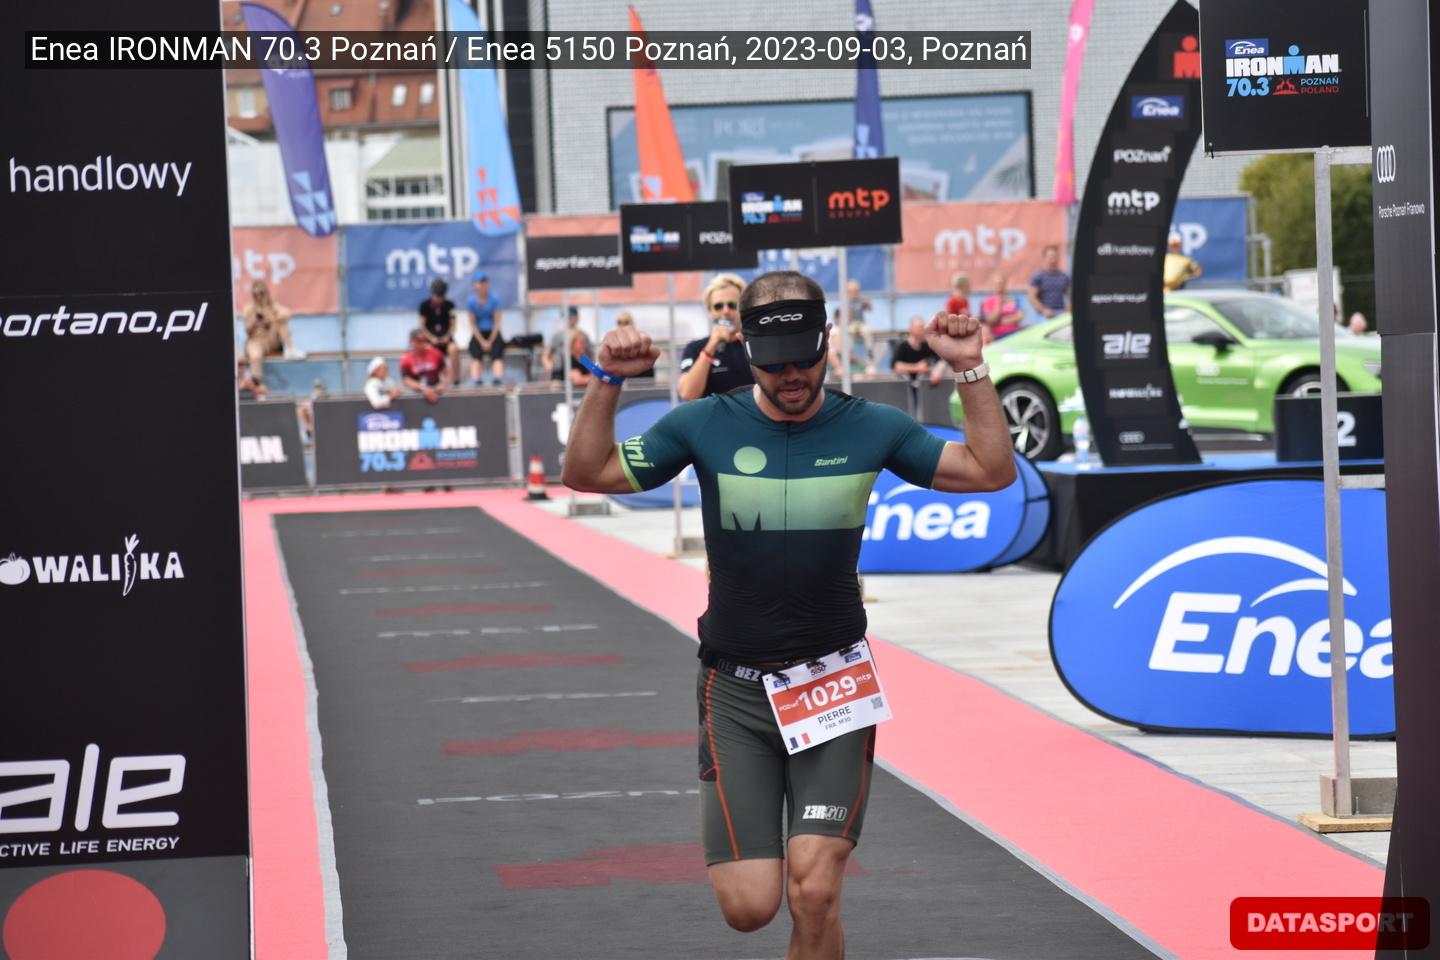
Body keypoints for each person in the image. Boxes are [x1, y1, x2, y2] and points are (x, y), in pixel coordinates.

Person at [561, 270, 1015, 960]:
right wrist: (606, 379)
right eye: (775, 364)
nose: (792, 375)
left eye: (805, 357)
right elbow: (585, 474)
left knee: (815, 888)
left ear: (827, 340)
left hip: (833, 682)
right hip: (735, 691)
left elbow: (990, 470)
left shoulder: (872, 426)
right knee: (750, 906)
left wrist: (970, 367)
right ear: (746, 350)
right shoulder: (703, 423)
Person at [679, 274, 752, 400]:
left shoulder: (755, 344)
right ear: (710, 311)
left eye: (732, 305)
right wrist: (712, 345)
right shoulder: (695, 348)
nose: (726, 311)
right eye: (718, 306)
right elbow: (687, 394)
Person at [242, 279, 303, 384]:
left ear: (266, 293)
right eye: (255, 295)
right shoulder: (249, 309)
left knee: (282, 322)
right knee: (255, 356)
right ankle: (257, 383)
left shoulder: (273, 306)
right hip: (256, 340)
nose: (259, 297)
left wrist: (270, 319)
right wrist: (254, 323)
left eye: (261, 294)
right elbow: (247, 331)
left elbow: (288, 314)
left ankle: (290, 349)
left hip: (271, 338)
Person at [418, 278, 463, 386]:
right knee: (427, 349)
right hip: (431, 339)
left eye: (441, 296)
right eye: (437, 296)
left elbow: (453, 325)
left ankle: (456, 379)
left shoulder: (449, 305)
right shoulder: (424, 306)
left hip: (446, 339)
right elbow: (422, 326)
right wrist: (431, 337)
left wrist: (447, 336)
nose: (439, 299)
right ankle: (431, 379)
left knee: (454, 349)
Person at [466, 273, 506, 386]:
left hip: (493, 332)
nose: (481, 285)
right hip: (479, 334)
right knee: (476, 356)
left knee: (497, 356)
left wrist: (490, 341)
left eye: (483, 282)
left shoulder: (494, 299)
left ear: (487, 283)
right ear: (475, 285)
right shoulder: (471, 301)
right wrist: (482, 341)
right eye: (479, 283)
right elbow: (473, 324)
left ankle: (498, 379)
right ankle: (476, 381)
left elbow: (496, 323)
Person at [400, 327, 449, 405]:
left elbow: (446, 373)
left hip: (436, 391)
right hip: (416, 395)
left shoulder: (436, 353)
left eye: (424, 340)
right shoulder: (406, 359)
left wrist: (443, 384)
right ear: (411, 342)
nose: (422, 343)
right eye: (418, 341)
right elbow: (406, 380)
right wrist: (423, 388)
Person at [545, 306, 591, 380]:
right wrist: (550, 367)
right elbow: (546, 356)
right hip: (559, 372)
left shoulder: (583, 335)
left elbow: (591, 355)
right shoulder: (557, 336)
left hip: (579, 370)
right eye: (568, 317)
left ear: (577, 317)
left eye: (572, 316)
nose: (570, 319)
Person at [841, 279, 877, 372]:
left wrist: (866, 302)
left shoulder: (861, 300)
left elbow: (870, 308)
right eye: (852, 291)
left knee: (867, 331)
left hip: (861, 323)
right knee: (851, 332)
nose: (854, 293)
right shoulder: (847, 302)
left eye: (856, 291)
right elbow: (846, 318)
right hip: (852, 324)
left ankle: (869, 351)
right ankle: (850, 353)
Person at [890, 316, 940, 382]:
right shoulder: (902, 346)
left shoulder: (928, 345)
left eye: (923, 327)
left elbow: (940, 361)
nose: (922, 330)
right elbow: (895, 366)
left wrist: (937, 371)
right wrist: (917, 368)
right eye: (919, 328)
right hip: (906, 382)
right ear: (910, 329)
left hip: (925, 383)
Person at [1027, 245, 1071, 318]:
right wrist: (1044, 310)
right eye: (1050, 257)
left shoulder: (1064, 276)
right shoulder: (1038, 276)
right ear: (1044, 258)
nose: (1053, 260)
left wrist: (1068, 308)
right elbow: (1032, 297)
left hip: (1061, 313)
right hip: (1044, 316)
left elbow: (1070, 295)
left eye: (1055, 257)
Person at [979, 273, 1022, 341]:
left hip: (1014, 335)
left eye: (1001, 283)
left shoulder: (1014, 298)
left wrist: (1001, 320)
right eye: (997, 283)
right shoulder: (988, 301)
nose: (999, 285)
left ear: (1005, 283)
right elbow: (990, 320)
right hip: (997, 337)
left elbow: (1019, 317)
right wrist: (999, 304)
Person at [614, 312, 654, 378]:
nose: (622, 325)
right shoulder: (614, 343)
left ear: (632, 324)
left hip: (639, 377)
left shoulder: (641, 340)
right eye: (619, 322)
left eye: (626, 322)